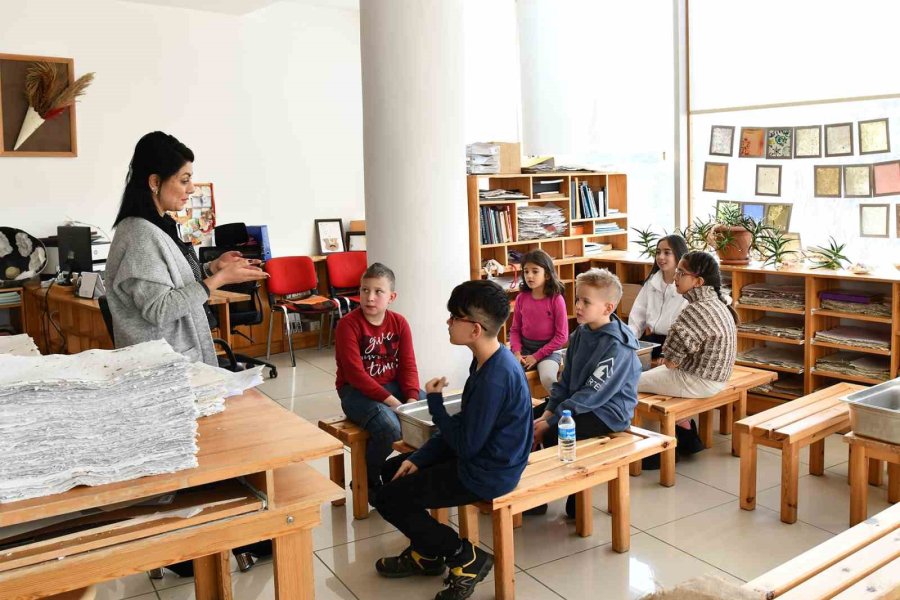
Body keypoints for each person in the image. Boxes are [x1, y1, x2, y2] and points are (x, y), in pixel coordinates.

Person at [373, 280, 532, 600]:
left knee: (389, 499)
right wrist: (419, 457)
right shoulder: (487, 359)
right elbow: (463, 425)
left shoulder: (495, 377)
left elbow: (465, 444)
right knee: (391, 470)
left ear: (475, 329)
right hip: (479, 456)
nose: (448, 322)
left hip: (489, 472)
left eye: (454, 317)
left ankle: (464, 557)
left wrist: (435, 404)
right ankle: (427, 553)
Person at [106, 131, 267, 366]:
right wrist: (219, 279)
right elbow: (160, 309)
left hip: (172, 358)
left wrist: (211, 268)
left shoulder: (160, 225)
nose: (191, 189)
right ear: (155, 182)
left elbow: (170, 281)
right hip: (161, 366)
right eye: (184, 180)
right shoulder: (140, 235)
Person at [530, 268, 641, 517]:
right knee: (527, 421)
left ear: (608, 308)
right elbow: (565, 380)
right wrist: (548, 412)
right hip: (578, 403)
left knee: (558, 433)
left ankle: (577, 499)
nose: (578, 306)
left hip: (607, 413)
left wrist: (552, 422)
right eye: (577, 299)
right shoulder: (581, 333)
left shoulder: (617, 346)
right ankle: (533, 496)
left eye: (586, 302)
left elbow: (593, 394)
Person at [334, 262, 423, 499]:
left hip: (392, 387)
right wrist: (395, 403)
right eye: (365, 290)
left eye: (378, 291)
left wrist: (412, 400)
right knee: (389, 428)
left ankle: (413, 471)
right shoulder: (347, 325)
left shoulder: (399, 323)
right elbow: (355, 375)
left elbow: (408, 366)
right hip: (355, 392)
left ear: (391, 297)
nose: (370, 297)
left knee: (430, 413)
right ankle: (368, 478)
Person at [638, 250, 738, 458]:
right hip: (716, 378)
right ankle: (687, 435)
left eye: (681, 273)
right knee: (649, 379)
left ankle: (654, 453)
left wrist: (668, 358)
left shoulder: (694, 311)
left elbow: (671, 363)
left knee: (629, 384)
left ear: (698, 282)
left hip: (698, 380)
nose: (675, 277)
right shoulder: (717, 303)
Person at [509, 249, 568, 395]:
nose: (529, 275)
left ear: (547, 275)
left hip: (549, 351)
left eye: (535, 271)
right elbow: (515, 330)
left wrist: (536, 356)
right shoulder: (521, 298)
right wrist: (516, 352)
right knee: (506, 375)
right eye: (526, 271)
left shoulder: (556, 299)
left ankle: (561, 406)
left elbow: (562, 336)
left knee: (548, 378)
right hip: (524, 349)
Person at [627, 234, 689, 358]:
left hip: (676, 346)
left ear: (679, 255)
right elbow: (637, 317)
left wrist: (671, 354)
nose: (660, 257)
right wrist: (627, 340)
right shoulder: (651, 282)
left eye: (667, 253)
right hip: (653, 341)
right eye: (658, 252)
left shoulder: (687, 286)